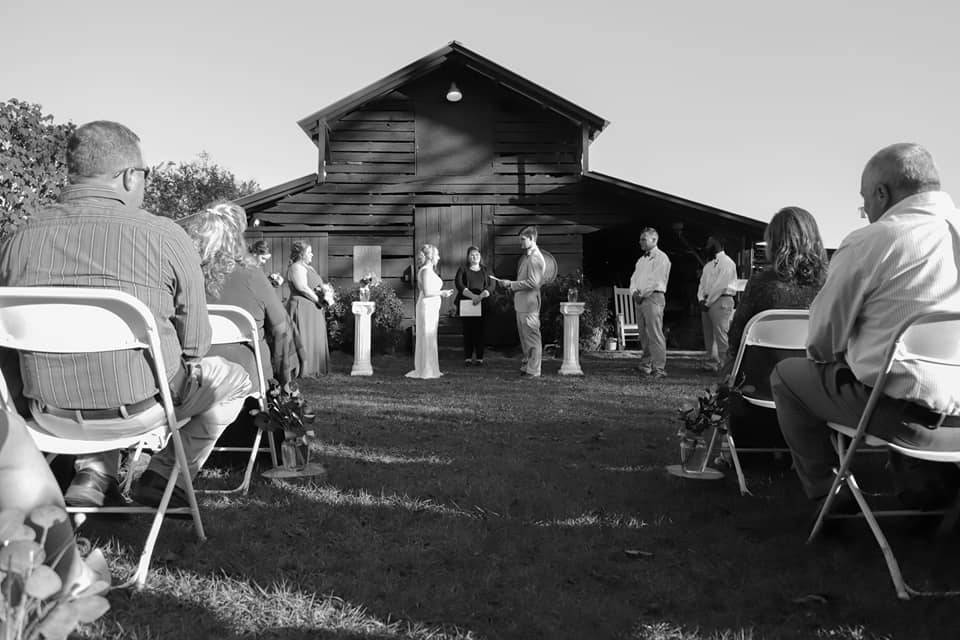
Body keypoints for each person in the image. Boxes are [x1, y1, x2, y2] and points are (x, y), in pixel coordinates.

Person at [0, 120, 251, 510]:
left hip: (46, 413)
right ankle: (165, 476)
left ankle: (95, 472)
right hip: (142, 409)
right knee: (236, 379)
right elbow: (196, 343)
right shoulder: (166, 236)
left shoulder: (19, 239)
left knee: (95, 369)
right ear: (131, 176)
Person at [771, 143, 960, 506]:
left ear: (881, 193)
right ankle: (928, 489)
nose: (866, 212)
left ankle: (828, 494)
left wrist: (848, 353)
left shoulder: (873, 241)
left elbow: (821, 341)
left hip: (901, 417)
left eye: (865, 202)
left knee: (788, 376)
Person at [181, 202, 298, 385]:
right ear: (237, 237)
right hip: (249, 382)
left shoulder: (184, 275)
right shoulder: (252, 276)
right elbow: (281, 331)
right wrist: (284, 381)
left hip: (194, 383)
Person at [0, 408, 110, 594]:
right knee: (11, 435)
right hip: (132, 413)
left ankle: (93, 472)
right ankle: (73, 578)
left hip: (47, 412)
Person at [723, 207, 828, 375]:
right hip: (814, 384)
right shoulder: (829, 286)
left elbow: (736, 338)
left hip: (761, 384)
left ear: (774, 243)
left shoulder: (760, 284)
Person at [498, 227, 546, 377]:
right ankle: (527, 366)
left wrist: (510, 284)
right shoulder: (527, 257)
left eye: (523, 239)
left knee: (532, 337)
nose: (520, 243)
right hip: (522, 304)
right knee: (525, 338)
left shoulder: (535, 257)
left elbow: (533, 282)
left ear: (532, 238)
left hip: (529, 304)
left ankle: (534, 370)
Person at [628, 227, 671, 378]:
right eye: (640, 239)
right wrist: (634, 292)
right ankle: (645, 364)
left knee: (655, 333)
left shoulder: (662, 258)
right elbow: (633, 279)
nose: (640, 242)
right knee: (643, 334)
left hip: (653, 297)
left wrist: (642, 294)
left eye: (643, 239)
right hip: (640, 298)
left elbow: (656, 281)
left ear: (654, 240)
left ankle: (659, 368)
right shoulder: (641, 260)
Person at [406, 244, 453, 379]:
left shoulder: (427, 270)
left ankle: (431, 367)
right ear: (431, 257)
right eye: (437, 255)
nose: (438, 258)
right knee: (426, 335)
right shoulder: (426, 270)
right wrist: (442, 293)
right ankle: (425, 369)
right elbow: (426, 291)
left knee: (430, 335)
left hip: (430, 306)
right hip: (427, 306)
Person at [286, 241, 330, 376]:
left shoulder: (308, 267)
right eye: (309, 252)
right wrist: (319, 300)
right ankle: (303, 368)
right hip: (302, 307)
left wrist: (326, 294)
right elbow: (302, 288)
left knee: (313, 335)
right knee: (304, 336)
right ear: (301, 254)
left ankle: (316, 367)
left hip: (312, 308)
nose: (312, 254)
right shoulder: (296, 267)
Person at [697, 236, 738, 372]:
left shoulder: (727, 263)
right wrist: (701, 299)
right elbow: (702, 284)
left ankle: (725, 365)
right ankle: (712, 362)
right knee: (709, 334)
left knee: (721, 334)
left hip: (721, 300)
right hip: (707, 301)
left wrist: (707, 302)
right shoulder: (708, 265)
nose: (707, 246)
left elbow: (720, 285)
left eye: (710, 243)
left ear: (719, 243)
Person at [454, 246, 492, 366]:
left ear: (480, 256)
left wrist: (480, 297)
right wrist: (473, 297)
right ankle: (468, 358)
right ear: (468, 257)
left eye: (477, 254)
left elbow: (492, 286)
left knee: (480, 331)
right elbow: (459, 284)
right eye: (472, 254)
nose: (474, 256)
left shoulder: (486, 270)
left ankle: (480, 357)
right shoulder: (463, 269)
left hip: (482, 304)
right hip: (466, 304)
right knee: (468, 331)